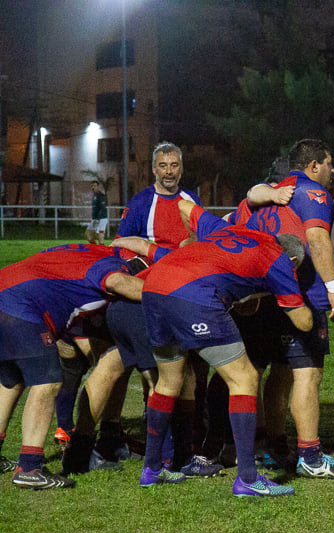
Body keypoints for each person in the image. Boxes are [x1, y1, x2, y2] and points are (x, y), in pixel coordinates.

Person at [139, 199, 313, 496]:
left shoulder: (230, 229)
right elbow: (303, 321)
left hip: (155, 285)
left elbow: (184, 207)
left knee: (168, 381)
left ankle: (152, 468)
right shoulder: (281, 260)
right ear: (293, 260)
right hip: (193, 294)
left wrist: (198, 251)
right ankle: (248, 478)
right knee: (244, 378)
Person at [240, 139, 334, 479]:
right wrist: (333, 288)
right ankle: (310, 456)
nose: (333, 170)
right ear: (313, 165)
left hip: (263, 298)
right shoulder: (313, 192)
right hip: (301, 297)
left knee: (278, 373)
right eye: (329, 163)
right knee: (307, 374)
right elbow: (316, 240)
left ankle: (275, 447)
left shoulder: (269, 195)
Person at [0, 243, 144, 490]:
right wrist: (160, 293)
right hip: (20, 304)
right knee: (48, 381)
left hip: (9, 287)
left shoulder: (92, 251)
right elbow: (117, 281)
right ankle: (30, 468)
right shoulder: (114, 266)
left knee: (11, 380)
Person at [112, 141, 213, 476]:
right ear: (154, 169)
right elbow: (121, 246)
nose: (169, 172)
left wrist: (191, 247)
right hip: (154, 294)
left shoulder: (191, 200)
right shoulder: (141, 202)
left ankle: (190, 443)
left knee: (194, 369)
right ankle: (166, 448)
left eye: (174, 165)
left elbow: (202, 241)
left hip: (186, 291)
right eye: (163, 165)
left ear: (181, 168)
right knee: (162, 372)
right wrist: (145, 269)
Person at [85, 180, 108, 245]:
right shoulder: (94, 196)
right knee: (88, 233)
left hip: (102, 218)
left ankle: (102, 248)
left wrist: (97, 219)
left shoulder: (101, 196)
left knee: (100, 234)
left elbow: (102, 208)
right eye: (92, 186)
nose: (93, 187)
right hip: (95, 218)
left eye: (94, 186)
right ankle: (95, 247)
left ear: (98, 187)